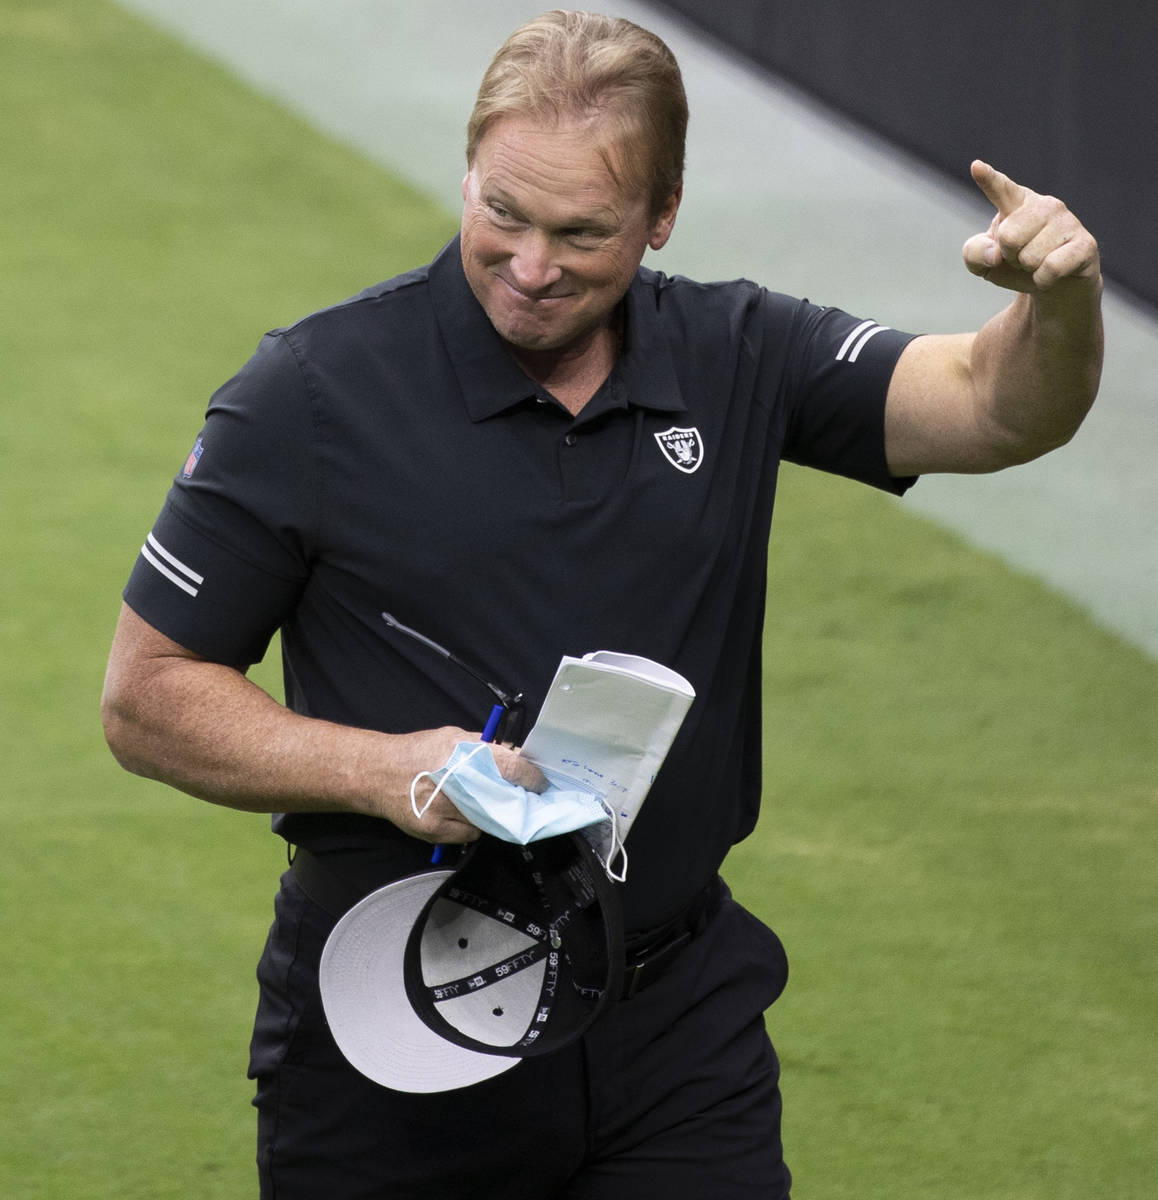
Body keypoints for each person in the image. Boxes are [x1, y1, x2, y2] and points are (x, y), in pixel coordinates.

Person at [100, 9, 1102, 1199]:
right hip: (400, 1016)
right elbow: (147, 696)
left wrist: (1060, 302)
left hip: (675, 1028)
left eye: (582, 233)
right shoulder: (308, 398)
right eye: (502, 216)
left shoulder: (736, 353)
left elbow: (995, 408)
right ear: (467, 172)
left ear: (663, 215)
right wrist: (385, 771)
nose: (530, 268)